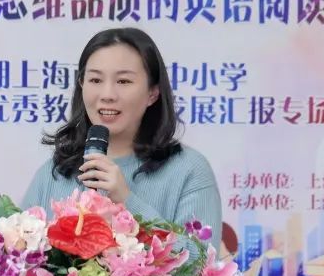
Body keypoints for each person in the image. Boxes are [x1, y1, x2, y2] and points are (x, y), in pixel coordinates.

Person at [21, 27, 222, 233]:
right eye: (95, 80)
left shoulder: (190, 171)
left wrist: (126, 200)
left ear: (152, 93)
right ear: (81, 85)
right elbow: (19, 246)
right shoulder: (55, 172)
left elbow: (200, 252)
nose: (107, 94)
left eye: (123, 81)